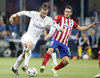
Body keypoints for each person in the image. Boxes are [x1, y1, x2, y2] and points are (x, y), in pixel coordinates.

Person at [40, 6, 99, 76]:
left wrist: (91, 26)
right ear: (64, 12)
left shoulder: (72, 22)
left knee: (66, 61)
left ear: (71, 13)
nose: (67, 13)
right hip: (55, 40)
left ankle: (55, 69)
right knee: (50, 50)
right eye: (66, 11)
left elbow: (80, 28)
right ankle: (43, 66)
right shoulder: (59, 17)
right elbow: (53, 23)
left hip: (64, 43)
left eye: (68, 12)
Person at [9, 2, 63, 75]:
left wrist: (61, 29)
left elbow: (55, 25)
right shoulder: (34, 14)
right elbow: (23, 12)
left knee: (24, 54)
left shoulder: (48, 20)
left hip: (35, 40)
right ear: (40, 10)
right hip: (27, 36)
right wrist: (13, 15)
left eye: (45, 13)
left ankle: (14, 68)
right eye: (43, 12)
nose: (44, 15)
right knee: (29, 45)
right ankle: (26, 65)